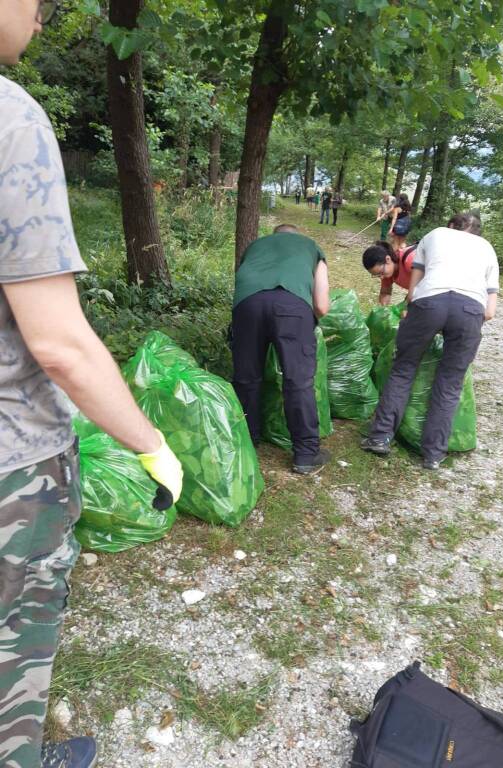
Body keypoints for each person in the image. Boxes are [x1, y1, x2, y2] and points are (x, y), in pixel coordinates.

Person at [0, 4, 183, 768]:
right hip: (11, 464)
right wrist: (150, 444)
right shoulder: (10, 120)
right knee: (13, 657)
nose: (41, 19)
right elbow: (61, 344)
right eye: (36, 2)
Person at [361, 212, 499, 470]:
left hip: (429, 303)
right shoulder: (487, 248)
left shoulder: (434, 235)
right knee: (450, 383)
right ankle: (433, 454)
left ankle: (380, 438)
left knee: (403, 370)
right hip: (470, 311)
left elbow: (413, 290)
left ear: (450, 225)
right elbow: (489, 312)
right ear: (477, 232)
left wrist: (420, 316)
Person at [232, 224, 331, 474]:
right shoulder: (311, 248)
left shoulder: (254, 247)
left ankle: (247, 440)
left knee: (246, 378)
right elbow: (322, 304)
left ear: (275, 236)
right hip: (292, 306)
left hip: (248, 306)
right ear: (297, 235)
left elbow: (243, 282)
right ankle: (306, 454)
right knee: (297, 380)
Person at [362, 240, 418, 305]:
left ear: (388, 259)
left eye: (381, 272)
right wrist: (383, 309)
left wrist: (405, 305)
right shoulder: (387, 272)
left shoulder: (410, 260)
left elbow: (422, 288)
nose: (381, 277)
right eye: (377, 275)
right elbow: (385, 292)